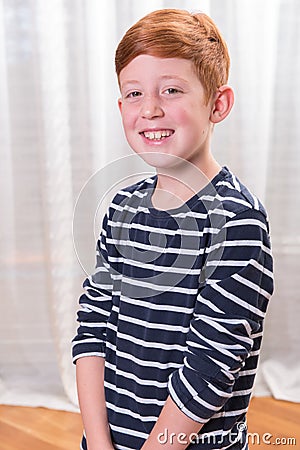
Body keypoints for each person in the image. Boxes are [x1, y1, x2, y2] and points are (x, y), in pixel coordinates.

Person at [72, 9, 274, 450]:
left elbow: (211, 364)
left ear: (217, 104)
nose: (150, 108)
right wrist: (99, 442)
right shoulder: (121, 208)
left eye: (172, 89)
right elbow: (92, 328)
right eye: (133, 93)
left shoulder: (238, 222)